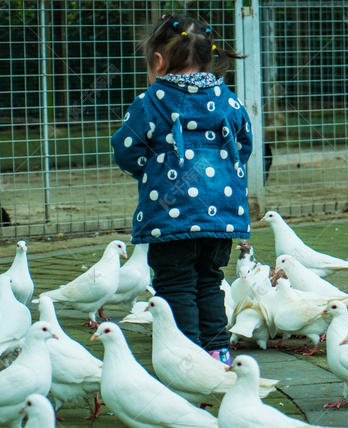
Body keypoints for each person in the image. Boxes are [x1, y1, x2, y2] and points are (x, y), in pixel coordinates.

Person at [111, 13, 251, 365]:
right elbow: (244, 145)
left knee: (175, 285)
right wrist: (221, 174)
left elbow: (126, 149)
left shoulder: (151, 102)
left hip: (169, 217)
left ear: (158, 62)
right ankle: (217, 350)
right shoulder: (228, 100)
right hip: (221, 216)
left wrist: (153, 170)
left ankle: (186, 357)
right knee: (209, 280)